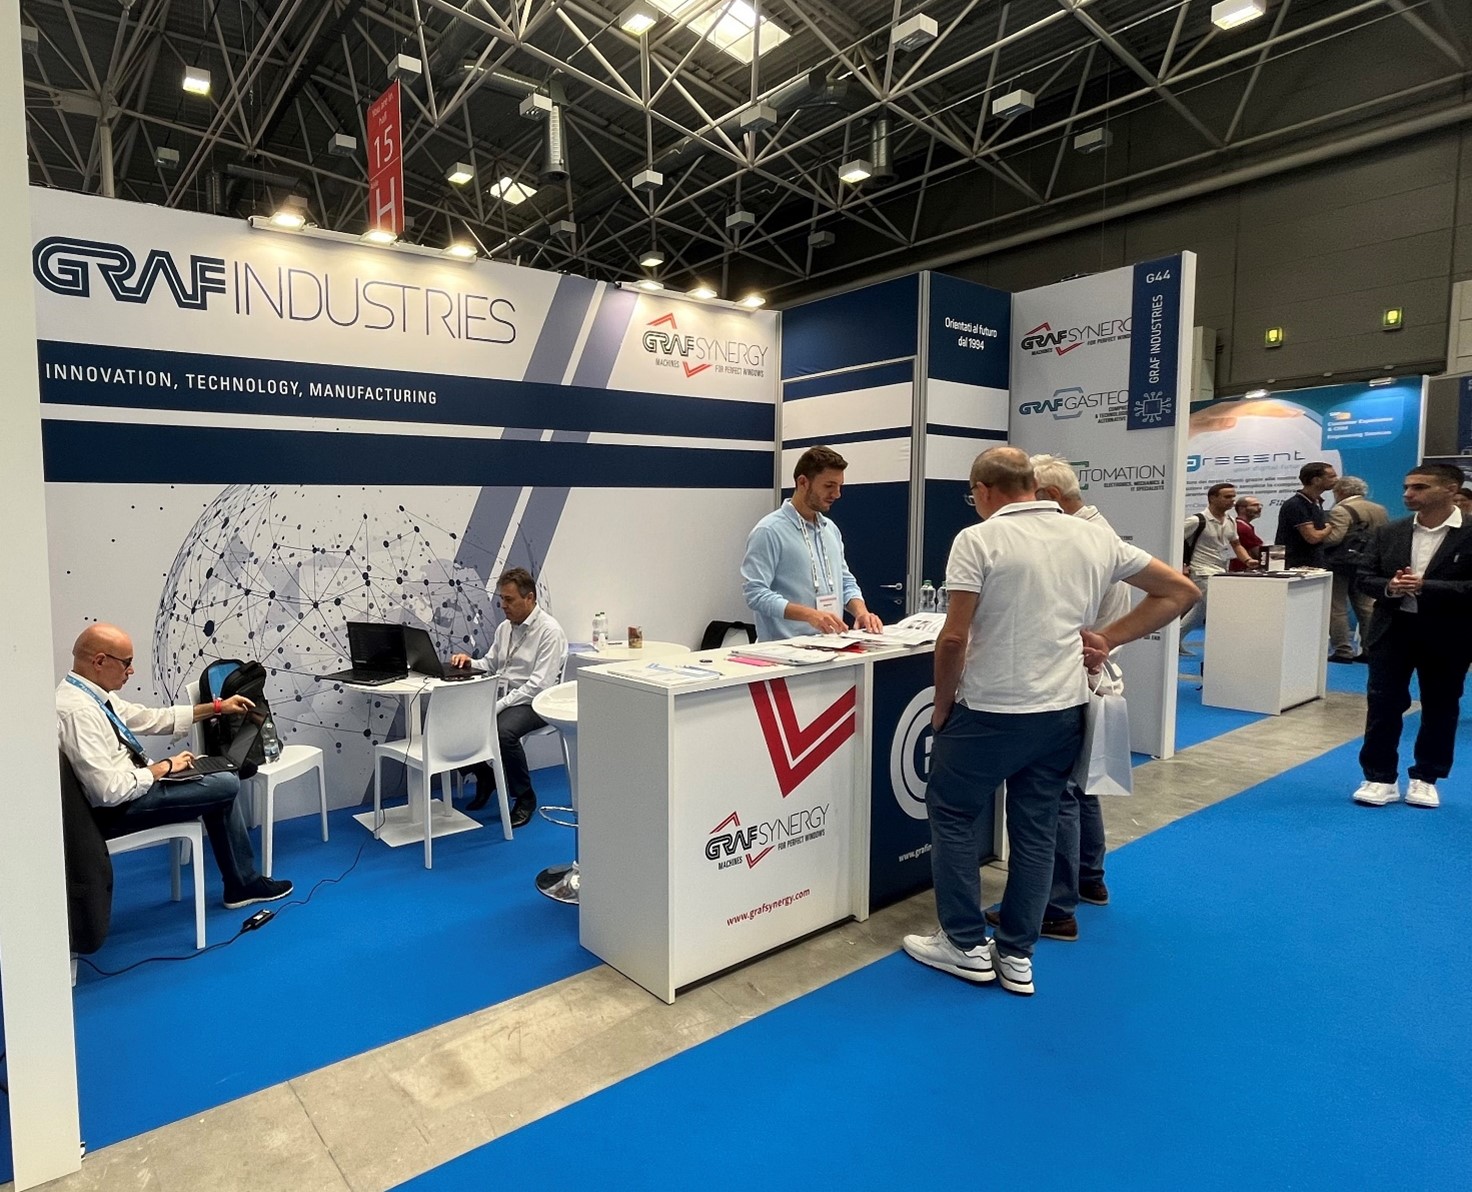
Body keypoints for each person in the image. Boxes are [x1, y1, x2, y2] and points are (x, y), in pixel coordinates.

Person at [901, 448, 1198, 995]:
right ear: (1033, 486)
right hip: (1062, 711)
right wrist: (1107, 637)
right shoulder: (1092, 536)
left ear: (983, 490)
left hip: (989, 710)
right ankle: (1017, 953)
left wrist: (942, 705)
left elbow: (954, 637)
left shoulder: (978, 539)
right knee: (1037, 828)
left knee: (953, 815)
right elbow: (1181, 591)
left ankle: (964, 944)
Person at [56, 623, 292, 909]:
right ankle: (242, 884)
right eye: (127, 663)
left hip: (133, 788)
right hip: (116, 809)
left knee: (218, 777)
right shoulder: (79, 713)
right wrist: (164, 768)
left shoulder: (91, 696)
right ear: (99, 661)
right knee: (227, 784)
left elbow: (150, 718)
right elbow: (107, 792)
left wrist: (218, 707)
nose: (131, 671)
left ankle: (242, 884)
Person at [1027, 454, 1132, 918]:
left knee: (1061, 793)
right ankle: (1089, 878)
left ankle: (1055, 902)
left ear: (1050, 496)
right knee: (1081, 785)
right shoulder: (1097, 535)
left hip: (1075, 678)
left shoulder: (1084, 541)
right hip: (1088, 674)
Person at [1351, 463, 1472, 809]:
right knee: (1383, 704)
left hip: (1449, 633)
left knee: (1441, 705)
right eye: (1407, 487)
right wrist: (1390, 586)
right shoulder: (1390, 532)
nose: (1408, 494)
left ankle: (1426, 777)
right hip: (1393, 630)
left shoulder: (1469, 532)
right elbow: (1364, 577)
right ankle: (1379, 777)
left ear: (1450, 489)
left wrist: (1427, 586)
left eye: (1419, 487)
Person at [451, 568, 568, 827]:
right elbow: (491, 664)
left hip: (536, 702)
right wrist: (470, 662)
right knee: (451, 716)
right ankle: (485, 775)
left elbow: (538, 685)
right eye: (502, 599)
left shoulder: (549, 631)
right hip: (505, 696)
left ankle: (525, 797)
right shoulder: (505, 628)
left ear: (530, 598)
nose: (503, 605)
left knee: (503, 732)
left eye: (509, 599)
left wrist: (500, 705)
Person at [740, 445, 883, 641]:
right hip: (784, 650)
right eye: (829, 486)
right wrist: (809, 615)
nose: (837, 494)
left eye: (839, 486)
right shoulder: (769, 531)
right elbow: (755, 593)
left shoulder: (830, 529)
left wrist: (861, 612)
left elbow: (845, 581)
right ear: (803, 482)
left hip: (831, 646)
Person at [1323, 476, 1388, 663]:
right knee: (1367, 607)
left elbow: (1334, 538)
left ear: (1341, 491)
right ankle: (1370, 648)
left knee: (1337, 608)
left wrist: (1318, 536)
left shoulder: (1341, 510)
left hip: (1341, 564)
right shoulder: (1379, 509)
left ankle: (1342, 650)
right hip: (1367, 564)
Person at [1180, 483, 1254, 647]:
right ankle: (1226, 647)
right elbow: (1174, 540)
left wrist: (1248, 560)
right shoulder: (1196, 520)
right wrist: (1183, 565)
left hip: (1221, 571)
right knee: (1220, 609)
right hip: (1201, 571)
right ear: (1212, 498)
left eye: (1233, 496)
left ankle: (1174, 640)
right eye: (1227, 496)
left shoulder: (1231, 520)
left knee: (1199, 612)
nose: (1232, 500)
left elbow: (1236, 544)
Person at [1274, 461, 1339, 568]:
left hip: (1312, 563)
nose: (1336, 479)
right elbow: (1313, 537)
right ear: (1316, 480)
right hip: (1297, 565)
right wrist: (1329, 527)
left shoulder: (1315, 502)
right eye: (1331, 476)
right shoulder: (1297, 504)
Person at [1228, 494, 1265, 572]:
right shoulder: (1242, 528)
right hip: (1242, 569)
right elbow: (1259, 553)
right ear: (1241, 508)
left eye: (1260, 505)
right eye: (1254, 505)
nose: (1259, 508)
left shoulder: (1242, 525)